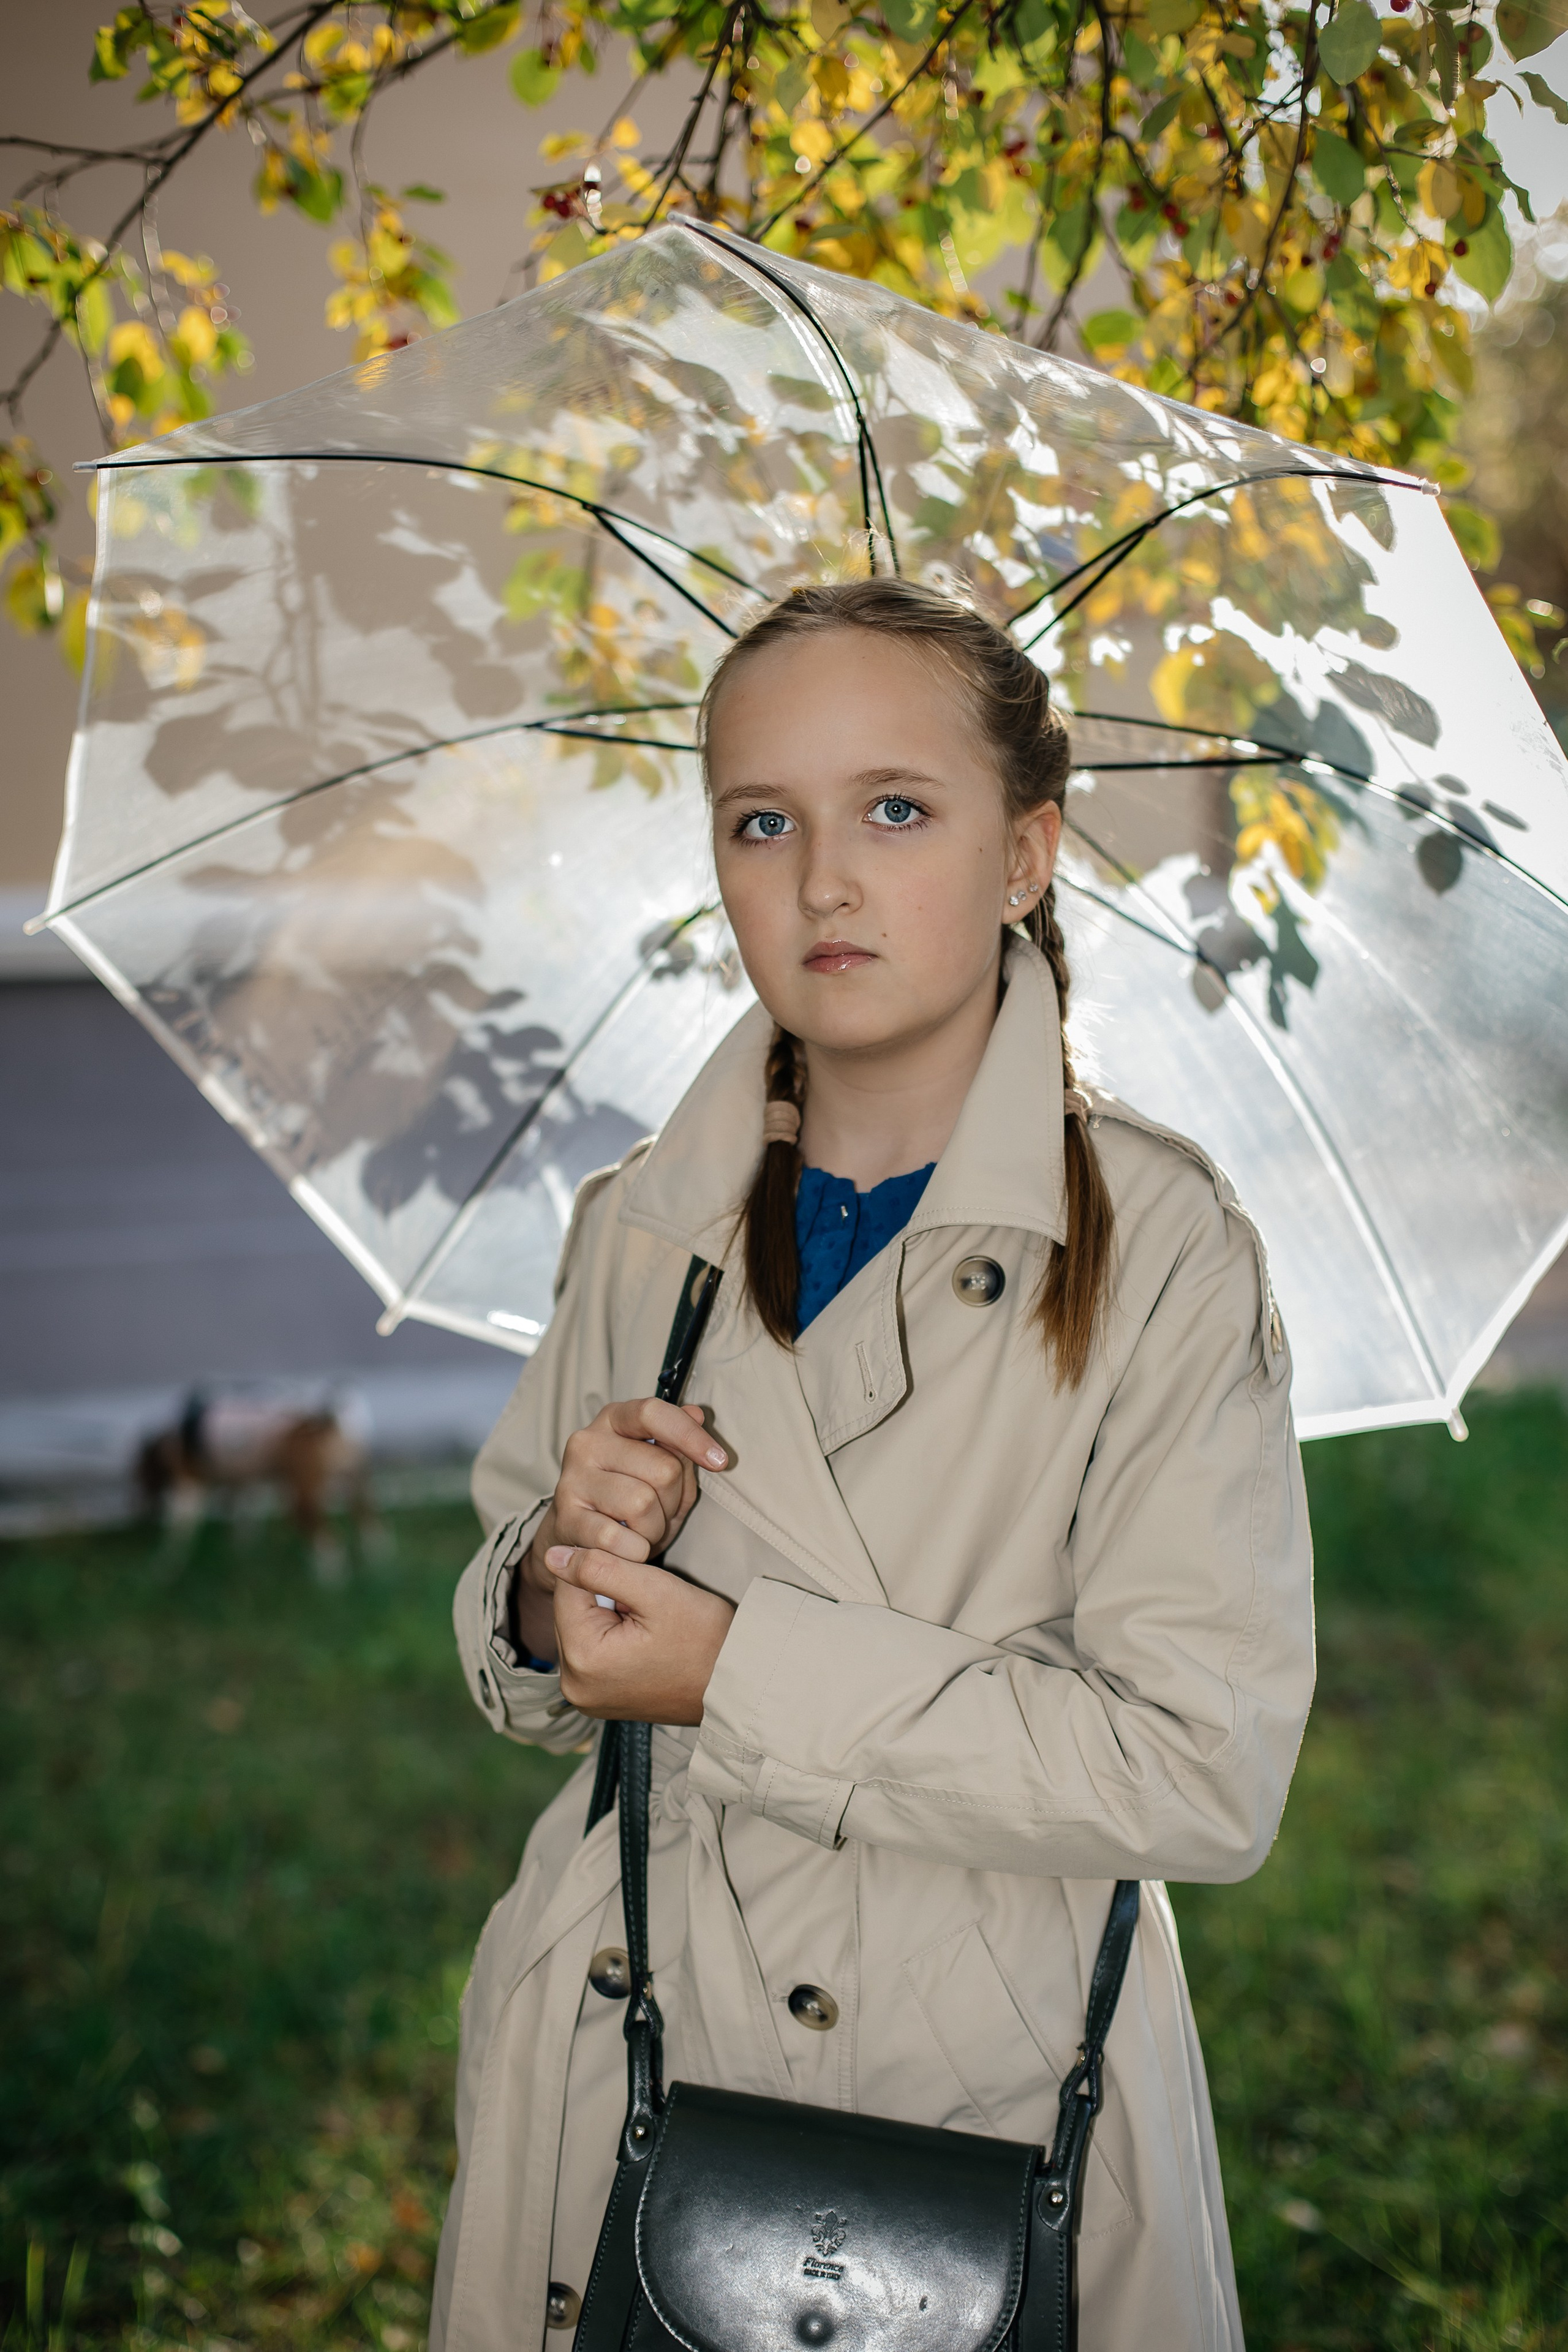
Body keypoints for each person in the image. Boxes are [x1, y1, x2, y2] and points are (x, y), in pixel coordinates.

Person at [432, 579, 1315, 2352]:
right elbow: (518, 1655)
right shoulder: (640, 1224)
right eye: (764, 822)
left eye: (895, 810)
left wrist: (730, 1666)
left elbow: (1201, 1768)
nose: (822, 878)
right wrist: (550, 1582)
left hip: (987, 2084)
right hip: (626, 2050)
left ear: (1025, 855)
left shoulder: (1162, 1245)